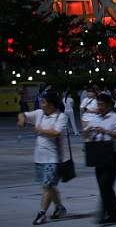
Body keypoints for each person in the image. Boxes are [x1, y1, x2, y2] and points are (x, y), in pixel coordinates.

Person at [17, 92, 69, 224]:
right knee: (48, 186)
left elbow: (56, 132)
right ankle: (59, 207)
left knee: (47, 186)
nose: (41, 105)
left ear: (51, 105)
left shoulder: (61, 117)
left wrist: (40, 130)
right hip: (39, 157)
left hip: (53, 158)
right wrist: (22, 119)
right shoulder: (39, 113)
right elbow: (23, 114)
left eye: (44, 102)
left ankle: (41, 214)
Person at [83, 93, 116, 223]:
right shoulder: (95, 118)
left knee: (106, 184)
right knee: (103, 185)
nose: (100, 107)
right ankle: (110, 214)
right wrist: (87, 132)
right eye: (98, 104)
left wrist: (107, 132)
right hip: (99, 154)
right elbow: (86, 131)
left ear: (109, 105)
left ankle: (110, 214)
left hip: (112, 155)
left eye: (102, 104)